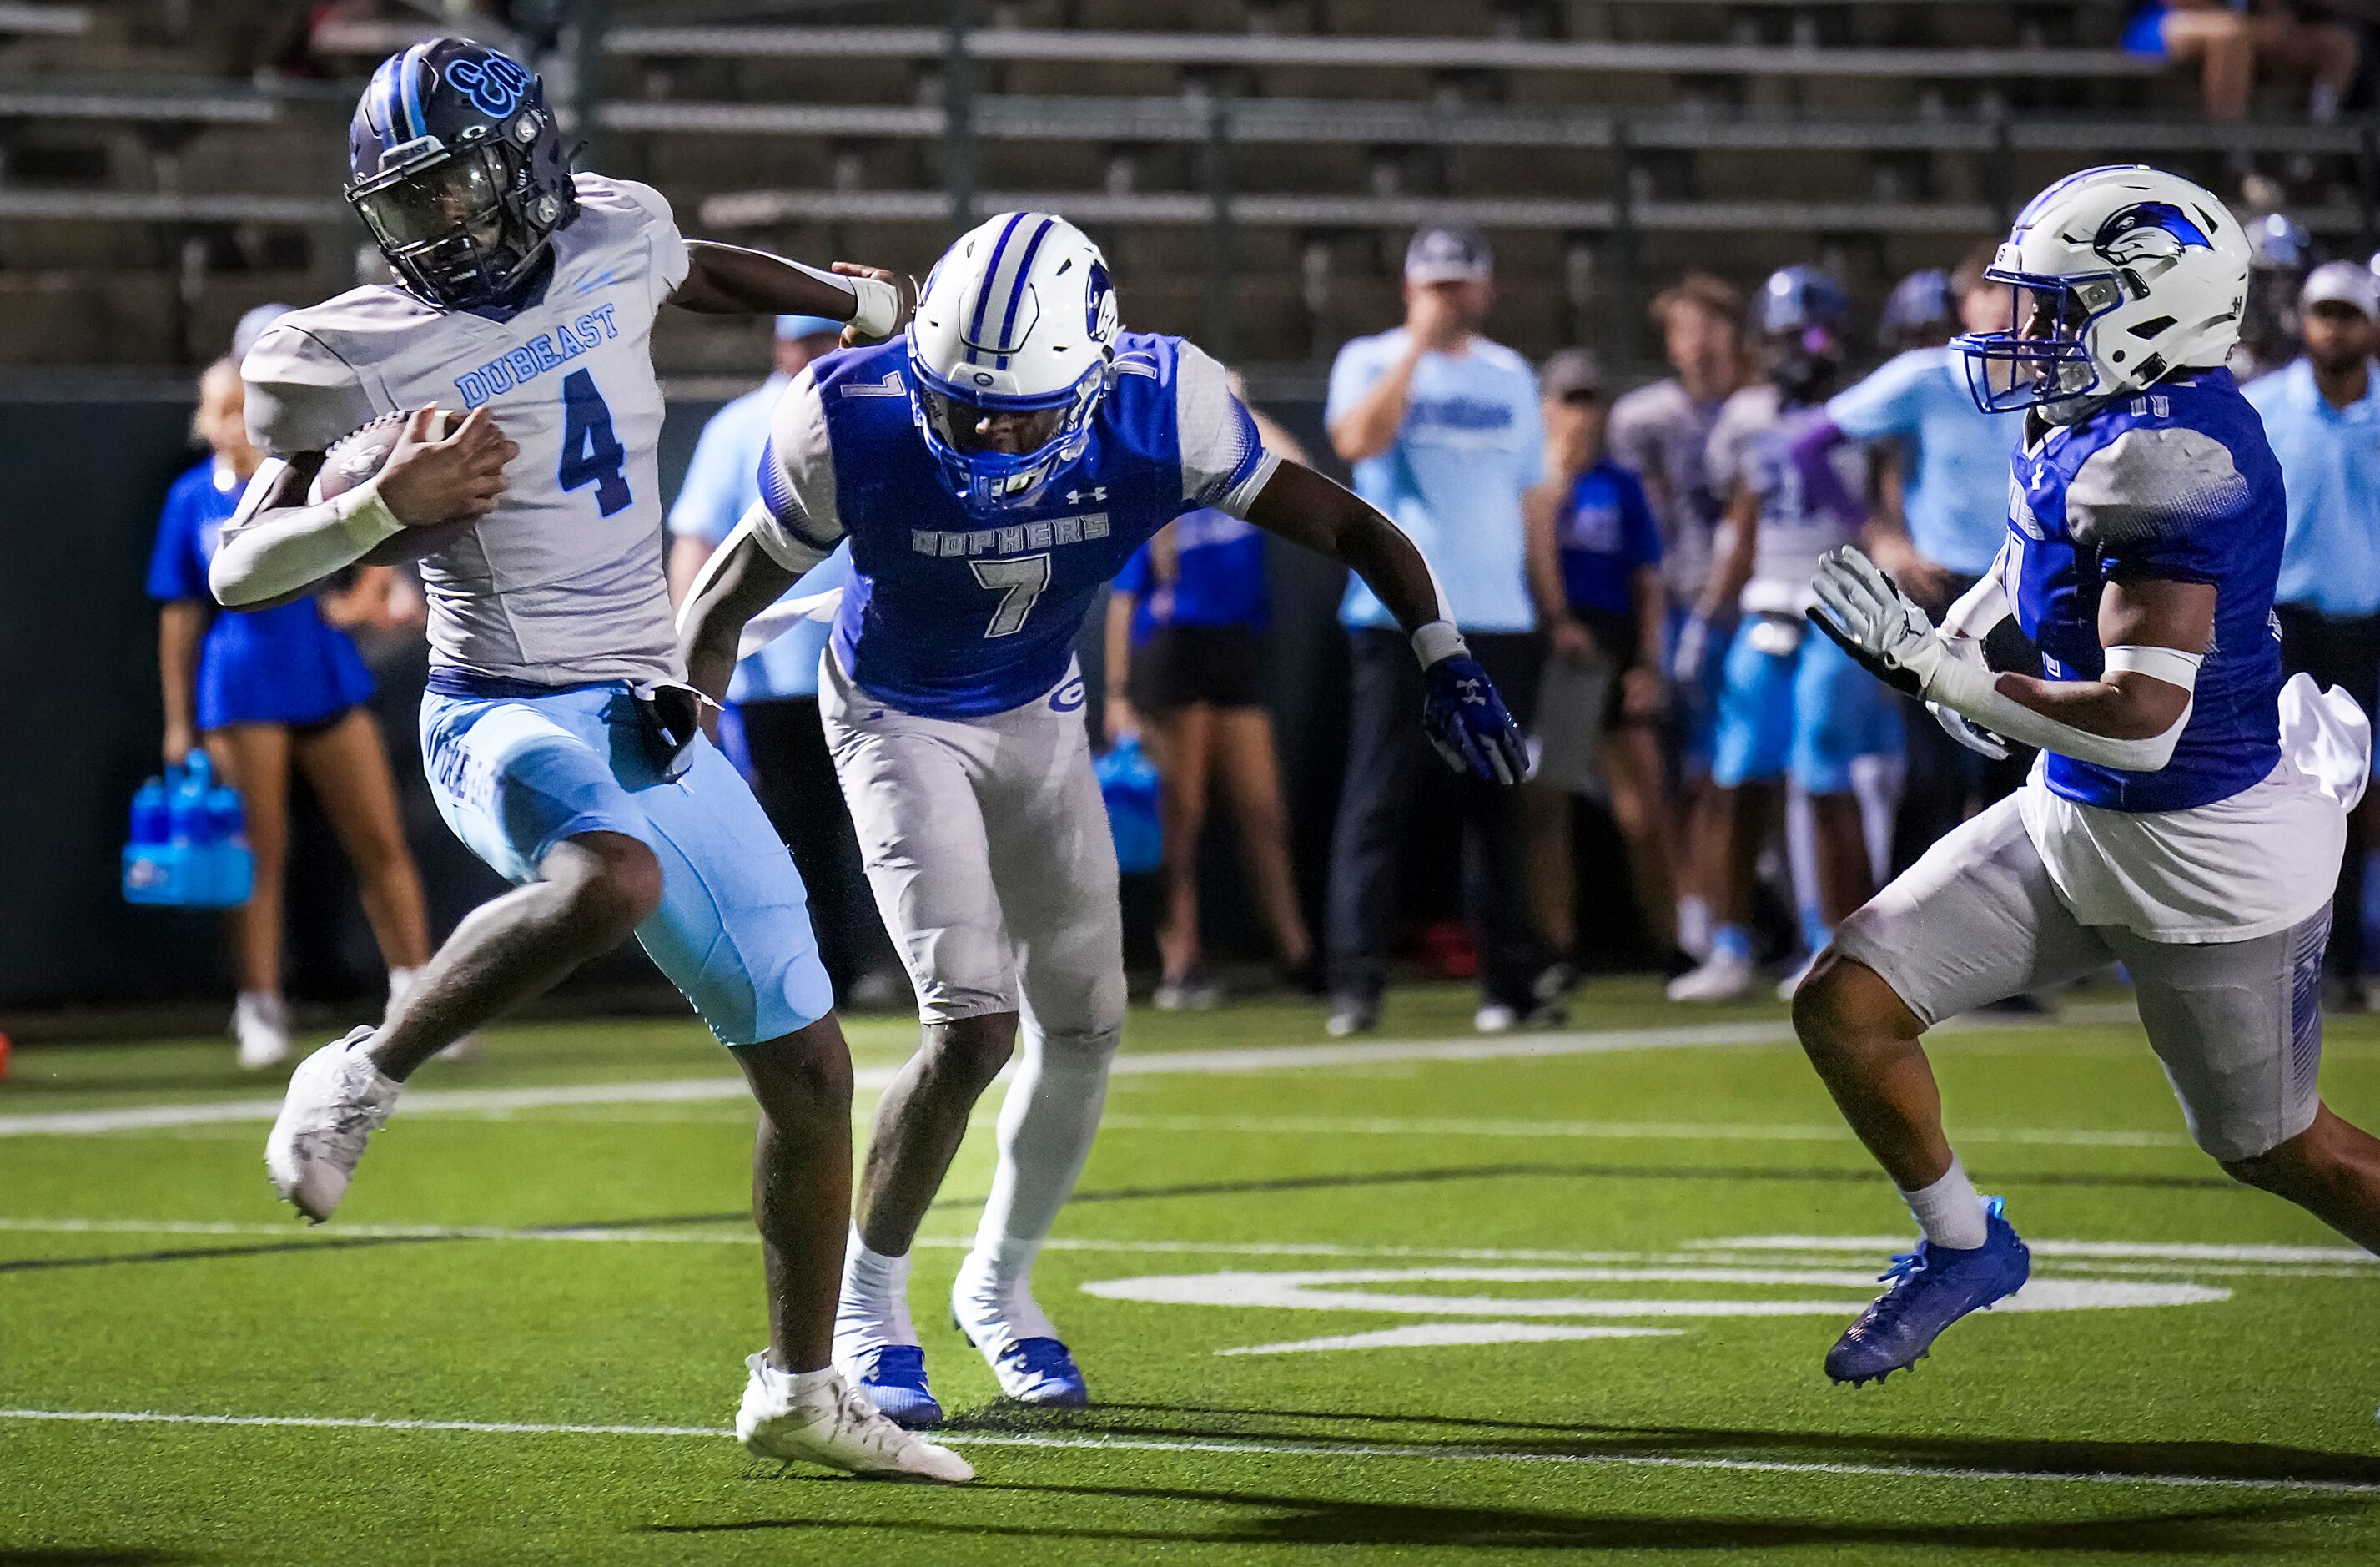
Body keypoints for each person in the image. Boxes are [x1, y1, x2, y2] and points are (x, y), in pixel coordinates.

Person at [210, 39, 967, 1481]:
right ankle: (365, 1069)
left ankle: (800, 1387)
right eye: (403, 198)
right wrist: (384, 503)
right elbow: (242, 565)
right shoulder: (341, 346)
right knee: (606, 876)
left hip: (648, 702)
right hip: (491, 701)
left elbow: (696, 266)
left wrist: (868, 301)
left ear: (521, 165)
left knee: (810, 1066)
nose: (425, 223)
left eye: (446, 187)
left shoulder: (615, 228)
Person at [677, 211, 1527, 1428]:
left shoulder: (1161, 403)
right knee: (970, 1023)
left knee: (1086, 1019)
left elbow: (1346, 522)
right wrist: (688, 731)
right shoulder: (848, 410)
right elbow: (717, 599)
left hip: (1038, 703)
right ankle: (869, 1305)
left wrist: (1438, 646)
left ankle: (1001, 1284)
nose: (988, 432)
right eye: (967, 405)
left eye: (1020, 411)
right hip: (893, 711)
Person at [1798, 165, 2380, 1389]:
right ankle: (1963, 1244)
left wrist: (1937, 677)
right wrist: (1955, 638)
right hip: (2074, 821)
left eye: (2056, 306)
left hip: (2204, 849)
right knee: (1844, 1002)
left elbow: (2138, 724)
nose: (2023, 331)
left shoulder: (2172, 461)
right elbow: (2027, 553)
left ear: (2149, 311)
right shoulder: (2091, 412)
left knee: (2280, 1150)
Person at [148, 357, 436, 1069]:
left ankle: (422, 999)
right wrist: (179, 721)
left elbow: (375, 528)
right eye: (219, 408)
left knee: (380, 840)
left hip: (322, 673)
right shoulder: (190, 499)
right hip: (241, 688)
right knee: (258, 854)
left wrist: (362, 600)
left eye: (242, 407)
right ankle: (260, 1007)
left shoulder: (300, 478)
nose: (231, 422)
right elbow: (180, 616)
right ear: (203, 419)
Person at [1321, 224, 1548, 1036]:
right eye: (1435, 285)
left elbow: (1531, 495)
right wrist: (1414, 353)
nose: (1448, 299)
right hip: (1397, 614)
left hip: (1499, 614)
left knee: (1496, 803)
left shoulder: (1510, 375)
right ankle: (1355, 987)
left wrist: (1547, 603)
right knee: (1376, 802)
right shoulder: (1371, 359)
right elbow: (1355, 442)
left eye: (1460, 285)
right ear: (1411, 290)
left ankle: (1509, 985)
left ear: (1484, 289)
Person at [1667, 265, 1899, 1004]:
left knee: (1823, 769)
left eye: (1802, 334)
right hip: (1767, 605)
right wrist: (1708, 617)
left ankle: (1838, 943)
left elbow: (1889, 513)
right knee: (1735, 775)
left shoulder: (1868, 410)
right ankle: (1730, 944)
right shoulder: (1747, 415)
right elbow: (1743, 523)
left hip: (1838, 608)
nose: (1791, 350)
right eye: (1777, 337)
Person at [666, 313, 903, 1009]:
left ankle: (878, 965)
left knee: (880, 827)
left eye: (829, 337)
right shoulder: (743, 425)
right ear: (779, 345)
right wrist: (694, 662)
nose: (818, 351)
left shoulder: (871, 413)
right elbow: (696, 542)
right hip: (774, 673)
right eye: (805, 339)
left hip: (863, 663)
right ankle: (813, 972)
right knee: (793, 834)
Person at [1794, 251, 2030, 874]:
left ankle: (2010, 945)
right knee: (1934, 776)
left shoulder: (2049, 386)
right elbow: (1811, 446)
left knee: (2024, 778)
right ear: (1964, 306)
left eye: (2014, 291)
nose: (2004, 306)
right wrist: (1881, 537)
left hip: (2025, 593)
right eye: (1989, 291)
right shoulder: (1927, 377)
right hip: (1942, 591)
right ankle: (1904, 932)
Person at [1103, 380, 1316, 1009]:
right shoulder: (1156, 479)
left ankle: (1296, 952)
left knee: (1262, 810)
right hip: (1171, 650)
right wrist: (1117, 694)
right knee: (1182, 815)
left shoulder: (1241, 480)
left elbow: (1298, 469)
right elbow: (1123, 598)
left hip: (1233, 647)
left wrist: (1241, 408)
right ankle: (1181, 961)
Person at [2245, 259, 2380, 1010]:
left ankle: (2344, 965)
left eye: (2348, 314)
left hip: (2371, 625)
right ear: (2303, 320)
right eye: (2323, 313)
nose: (2335, 328)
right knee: (2284, 796)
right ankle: (2283, 961)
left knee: (2358, 800)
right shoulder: (2260, 408)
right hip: (2283, 627)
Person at [1608, 274, 1753, 959]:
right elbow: (1641, 523)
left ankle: (1737, 908)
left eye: (1709, 326)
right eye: (1684, 329)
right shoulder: (1645, 419)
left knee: (1732, 771)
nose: (1698, 343)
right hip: (1673, 604)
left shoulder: (1758, 411)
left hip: (1751, 607)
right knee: (1679, 772)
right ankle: (1692, 911)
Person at [1519, 348, 1678, 967]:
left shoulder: (1620, 485)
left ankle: (1671, 942)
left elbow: (1646, 579)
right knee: (1548, 801)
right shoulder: (1534, 481)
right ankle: (1554, 944)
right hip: (1560, 647)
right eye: (1568, 400)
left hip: (1609, 642)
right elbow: (1533, 555)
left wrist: (1646, 661)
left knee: (1642, 808)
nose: (1580, 414)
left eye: (1589, 400)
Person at [2121, 0, 2359, 121]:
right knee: (2232, 36)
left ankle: (2312, 153)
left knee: (2337, 45)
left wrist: (2279, 23)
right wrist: (2259, 28)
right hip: (2166, 20)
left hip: (2247, 26)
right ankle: (2236, 161)